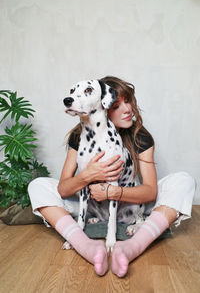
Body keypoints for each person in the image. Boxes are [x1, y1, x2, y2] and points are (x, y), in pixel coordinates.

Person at [28, 76, 195, 278]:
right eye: (117, 105)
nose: (128, 109)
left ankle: (133, 246)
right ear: (102, 105)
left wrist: (114, 191)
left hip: (130, 204)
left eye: (129, 102)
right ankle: (85, 245)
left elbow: (151, 192)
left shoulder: (140, 136)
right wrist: (88, 175)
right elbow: (63, 189)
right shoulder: (79, 137)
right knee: (38, 185)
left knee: (184, 181)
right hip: (92, 205)